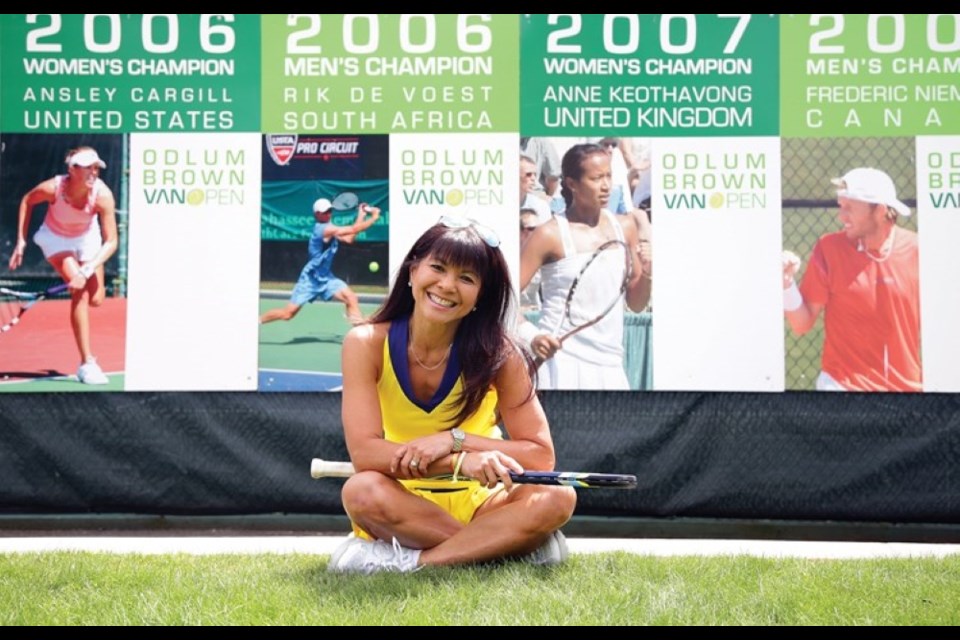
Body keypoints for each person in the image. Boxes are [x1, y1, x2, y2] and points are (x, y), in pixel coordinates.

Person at [327, 217, 577, 574]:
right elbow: (366, 453)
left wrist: (455, 441)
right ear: (413, 270)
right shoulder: (365, 343)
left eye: (466, 278)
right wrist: (460, 463)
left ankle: (417, 563)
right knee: (360, 491)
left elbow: (540, 457)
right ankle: (505, 545)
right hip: (404, 501)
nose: (446, 285)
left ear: (480, 296)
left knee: (557, 495)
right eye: (438, 268)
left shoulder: (502, 356)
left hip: (486, 501)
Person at [518, 143, 650, 390]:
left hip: (611, 366)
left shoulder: (627, 227)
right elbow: (504, 299)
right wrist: (531, 336)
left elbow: (637, 303)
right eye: (596, 178)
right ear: (572, 184)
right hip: (558, 366)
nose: (606, 185)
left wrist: (649, 271)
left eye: (609, 175)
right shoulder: (549, 234)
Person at [783, 167, 921, 392]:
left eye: (849, 208)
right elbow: (802, 323)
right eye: (841, 206)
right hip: (840, 387)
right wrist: (786, 285)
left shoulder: (918, 250)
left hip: (907, 393)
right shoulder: (828, 249)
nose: (841, 216)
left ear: (880, 210)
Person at [7, 147, 118, 385]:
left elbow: (112, 242)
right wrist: (21, 240)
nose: (94, 171)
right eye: (88, 166)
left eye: (96, 166)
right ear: (72, 169)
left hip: (87, 238)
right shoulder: (52, 188)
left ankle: (81, 277)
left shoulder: (103, 195)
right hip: (55, 238)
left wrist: (86, 270)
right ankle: (87, 363)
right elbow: (27, 200)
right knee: (78, 292)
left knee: (96, 299)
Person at [260, 197, 380, 326]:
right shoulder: (322, 229)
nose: (329, 214)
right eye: (325, 211)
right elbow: (353, 229)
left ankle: (358, 334)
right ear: (317, 214)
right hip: (310, 279)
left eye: (330, 211)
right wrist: (373, 217)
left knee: (351, 298)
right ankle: (256, 321)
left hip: (326, 278)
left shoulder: (331, 229)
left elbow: (350, 238)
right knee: (287, 314)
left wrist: (361, 215)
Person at [519, 209, 542, 312]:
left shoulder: (542, 254)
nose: (538, 232)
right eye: (532, 228)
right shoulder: (509, 256)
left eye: (540, 228)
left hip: (537, 311)